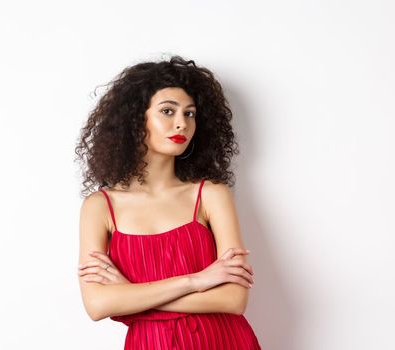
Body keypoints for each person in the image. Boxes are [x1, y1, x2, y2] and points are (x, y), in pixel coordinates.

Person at [75, 55, 262, 349]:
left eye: (190, 114)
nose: (182, 124)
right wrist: (196, 281)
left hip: (223, 340)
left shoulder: (211, 195)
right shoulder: (100, 207)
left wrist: (131, 296)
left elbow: (234, 299)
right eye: (167, 111)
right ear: (136, 119)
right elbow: (98, 304)